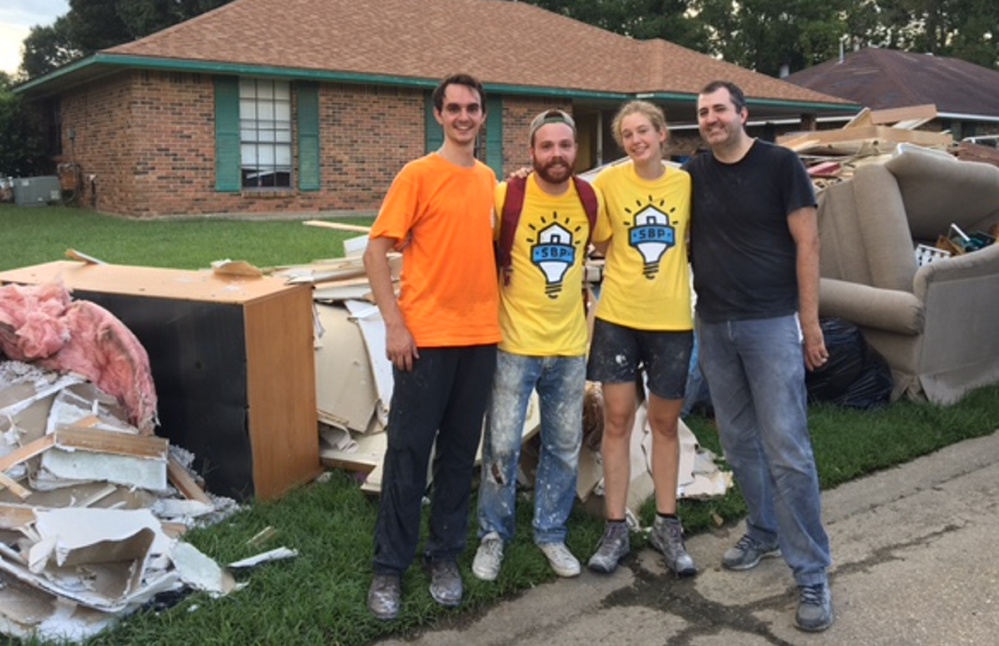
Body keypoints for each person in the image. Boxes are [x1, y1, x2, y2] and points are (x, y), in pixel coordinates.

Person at [683, 80, 834, 632]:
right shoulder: (693, 174)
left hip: (771, 324)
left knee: (787, 448)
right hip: (715, 325)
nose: (711, 118)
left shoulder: (781, 167)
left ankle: (812, 571)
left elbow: (808, 245)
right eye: (703, 113)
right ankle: (764, 530)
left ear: (742, 113)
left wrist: (808, 323)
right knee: (740, 441)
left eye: (719, 109)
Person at [363, 73, 501, 621]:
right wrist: (395, 326)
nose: (464, 116)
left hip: (480, 339)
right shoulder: (418, 175)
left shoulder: (489, 180)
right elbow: (376, 253)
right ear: (438, 115)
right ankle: (389, 568)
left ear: (482, 115)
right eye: (455, 108)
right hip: (424, 342)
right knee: (407, 453)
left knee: (458, 455)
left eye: (473, 108)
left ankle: (443, 555)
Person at [472, 109, 601, 582]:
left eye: (564, 146)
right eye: (546, 146)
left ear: (576, 150)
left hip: (569, 348)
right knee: (502, 445)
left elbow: (608, 245)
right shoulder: (507, 195)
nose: (556, 155)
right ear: (531, 152)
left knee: (564, 446)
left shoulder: (590, 198)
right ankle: (493, 534)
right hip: (514, 345)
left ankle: (550, 532)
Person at [585, 100, 697, 577]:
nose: (635, 141)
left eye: (642, 132)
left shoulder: (686, 182)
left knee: (665, 423)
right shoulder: (609, 183)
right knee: (616, 420)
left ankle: (667, 525)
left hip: (671, 319)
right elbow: (602, 240)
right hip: (618, 317)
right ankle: (615, 528)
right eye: (626, 135)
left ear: (661, 134)